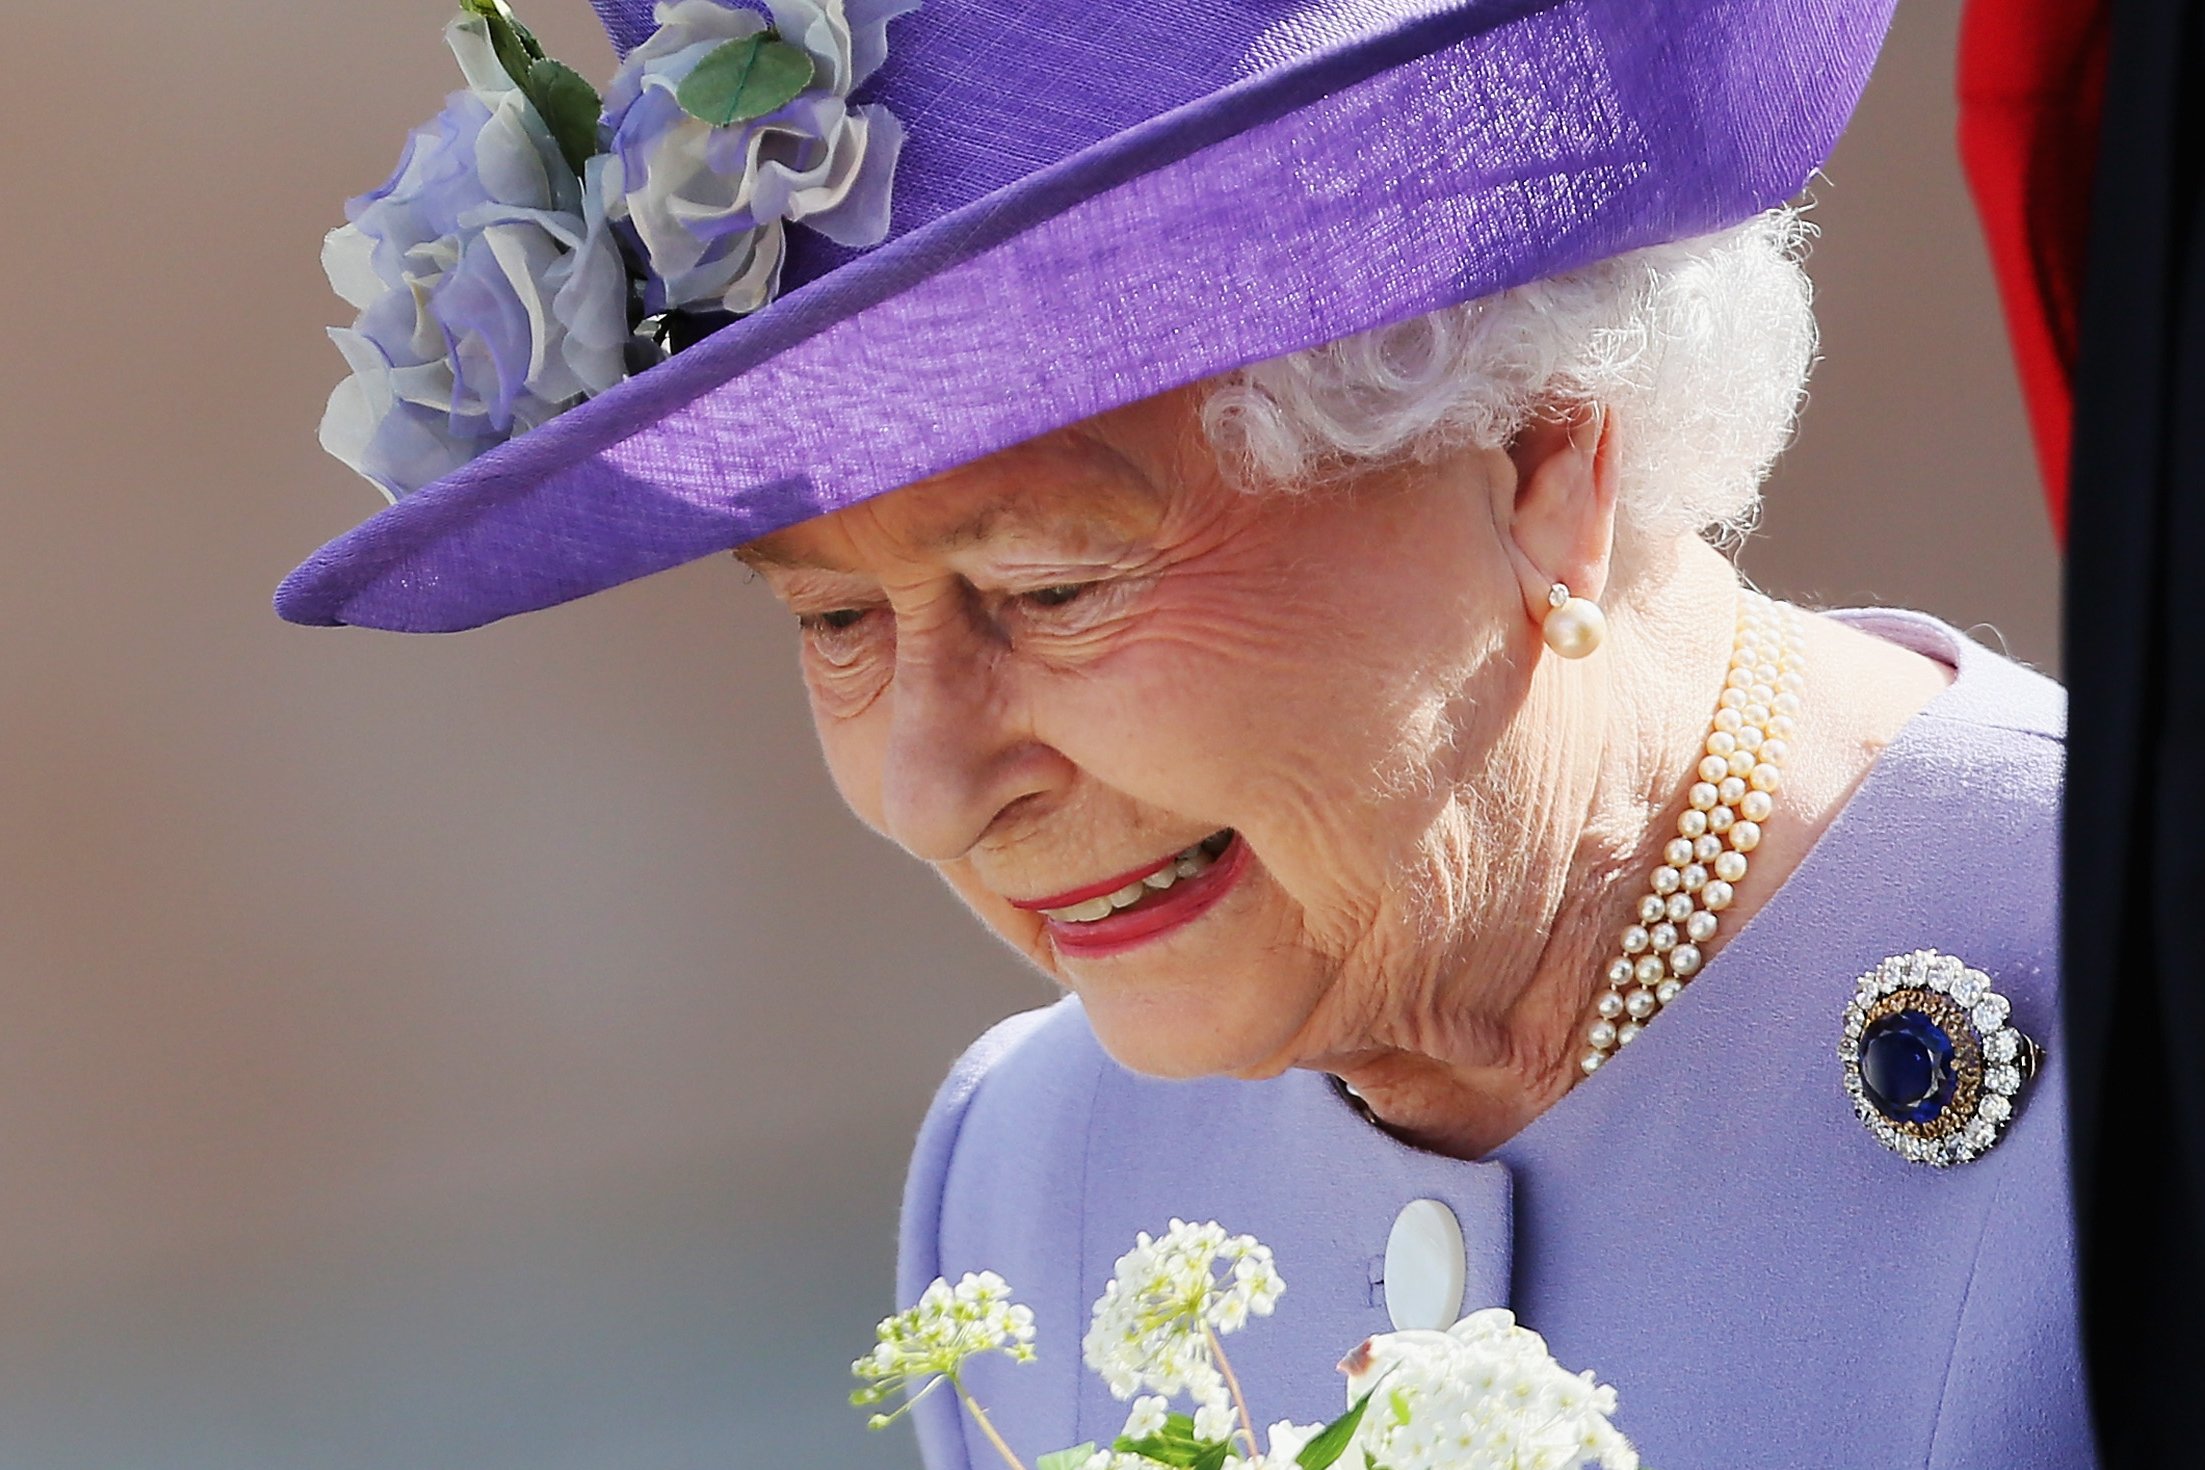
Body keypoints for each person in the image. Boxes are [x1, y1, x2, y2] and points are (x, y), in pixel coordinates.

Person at [278, 1, 2096, 1466]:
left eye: (1056, 587)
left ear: (1544, 449)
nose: (927, 783)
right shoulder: (1031, 1171)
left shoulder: (2128, 1011)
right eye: (831, 620)